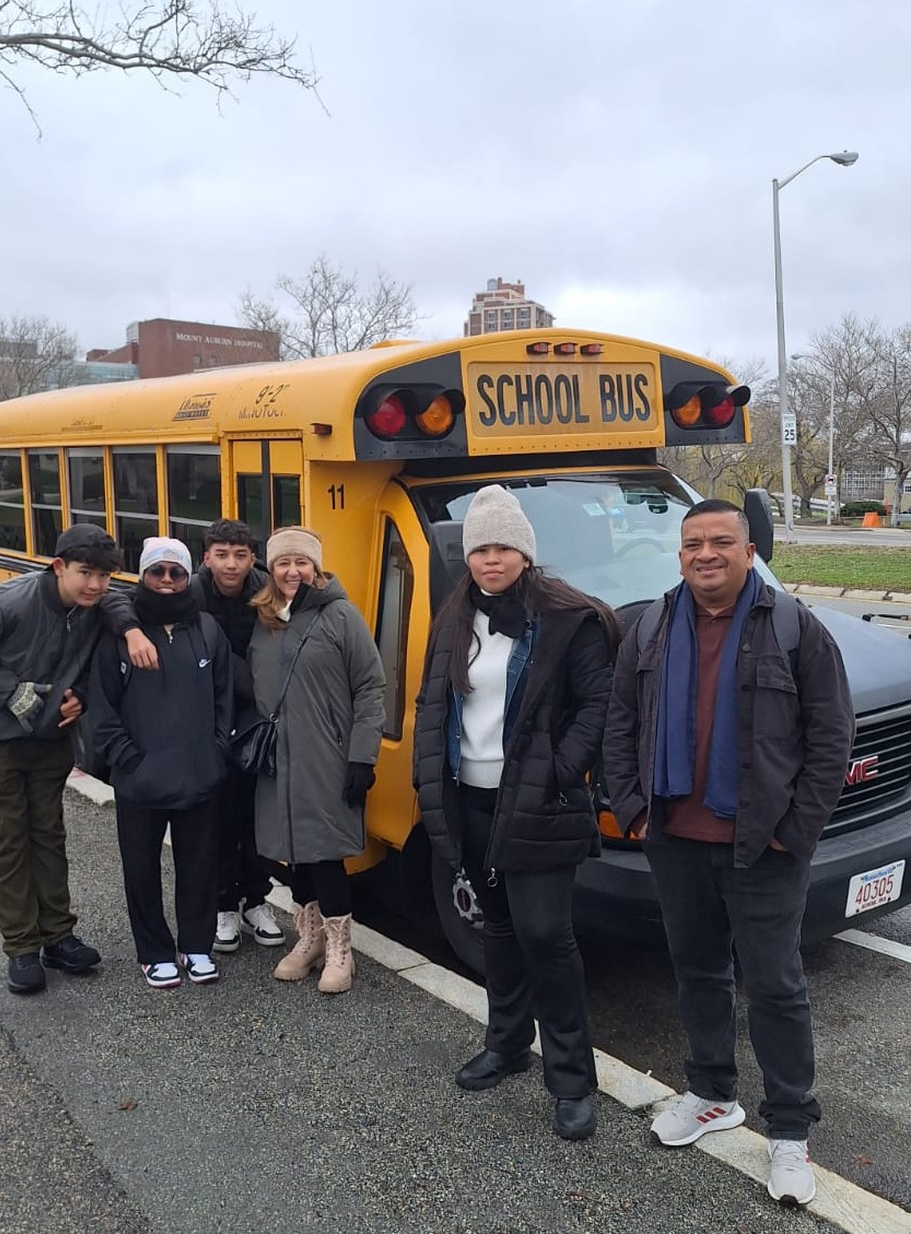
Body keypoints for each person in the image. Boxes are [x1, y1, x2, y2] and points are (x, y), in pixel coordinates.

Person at [602, 499, 855, 1207]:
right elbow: (620, 720)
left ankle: (790, 1131)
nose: (704, 553)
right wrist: (630, 808)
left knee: (776, 986)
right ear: (678, 553)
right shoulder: (650, 626)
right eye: (691, 543)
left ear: (750, 552)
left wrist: (793, 830)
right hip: (674, 839)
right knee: (698, 971)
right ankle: (712, 1093)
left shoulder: (796, 629)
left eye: (720, 541)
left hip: (762, 848)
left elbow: (832, 738)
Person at [413, 485, 619, 1142]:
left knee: (545, 938)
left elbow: (599, 708)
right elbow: (434, 708)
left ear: (525, 554)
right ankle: (506, 1045)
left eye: (503, 547)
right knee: (495, 930)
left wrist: (560, 772)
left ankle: (571, 1079)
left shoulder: (569, 621)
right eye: (480, 548)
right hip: (469, 799)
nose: (490, 560)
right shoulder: (452, 617)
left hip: (537, 804)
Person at [0, 525, 122, 995]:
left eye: (104, 575)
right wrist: (9, 691)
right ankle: (21, 947)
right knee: (6, 838)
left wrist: (79, 698)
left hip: (48, 739)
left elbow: (90, 662)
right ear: (57, 567)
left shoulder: (92, 609)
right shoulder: (8, 602)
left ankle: (58, 936)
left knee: (48, 834)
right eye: (85, 573)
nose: (95, 584)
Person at [102, 519, 285, 952]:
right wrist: (129, 629)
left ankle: (255, 899)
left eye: (240, 555)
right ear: (206, 558)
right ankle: (223, 904)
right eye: (221, 554)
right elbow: (119, 603)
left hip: (256, 714)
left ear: (252, 559)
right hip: (208, 712)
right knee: (214, 819)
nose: (231, 564)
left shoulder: (266, 591)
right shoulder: (188, 590)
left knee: (253, 812)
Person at [87, 537, 232, 989]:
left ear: (189, 577)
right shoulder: (118, 635)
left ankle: (196, 946)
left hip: (198, 773)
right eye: (157, 572)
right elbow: (102, 707)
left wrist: (215, 754)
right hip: (140, 777)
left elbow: (223, 698)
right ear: (143, 575)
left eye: (177, 573)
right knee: (141, 869)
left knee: (200, 866)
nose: (167, 581)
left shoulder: (208, 629)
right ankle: (153, 951)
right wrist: (126, 760)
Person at [247, 526, 385, 995]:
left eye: (301, 562)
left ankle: (341, 951)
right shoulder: (264, 619)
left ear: (316, 567)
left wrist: (361, 757)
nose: (292, 571)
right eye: (283, 562)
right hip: (277, 762)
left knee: (324, 855)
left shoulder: (341, 615)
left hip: (327, 756)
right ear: (271, 568)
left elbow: (370, 686)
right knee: (293, 855)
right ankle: (308, 940)